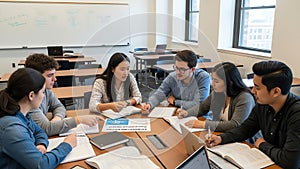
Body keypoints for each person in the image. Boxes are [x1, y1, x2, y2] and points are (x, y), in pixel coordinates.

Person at [206, 61, 300, 168]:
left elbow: (291, 161)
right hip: (271, 162)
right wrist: (221, 138)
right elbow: (245, 129)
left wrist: (262, 144)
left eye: (257, 87)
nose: (252, 91)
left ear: (276, 92)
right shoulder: (263, 104)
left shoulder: (296, 114)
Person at [0, 68, 76, 168]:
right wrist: (67, 145)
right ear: (31, 95)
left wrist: (41, 144)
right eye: (43, 92)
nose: (44, 96)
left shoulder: (21, 113)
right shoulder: (12, 128)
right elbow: (41, 165)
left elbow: (39, 132)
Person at [25, 53, 99, 136]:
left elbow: (59, 106)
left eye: (54, 75)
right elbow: (46, 129)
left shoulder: (46, 90)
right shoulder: (28, 99)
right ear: (35, 76)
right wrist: (78, 120)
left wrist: (57, 118)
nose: (55, 79)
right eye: (50, 76)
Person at [178, 62, 256, 132]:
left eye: (216, 81)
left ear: (230, 83)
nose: (212, 83)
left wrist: (204, 124)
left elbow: (235, 124)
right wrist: (187, 113)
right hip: (221, 133)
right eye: (212, 79)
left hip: (243, 140)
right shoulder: (218, 92)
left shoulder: (244, 98)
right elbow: (202, 107)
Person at [142, 50, 211, 112]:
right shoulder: (172, 77)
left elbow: (199, 104)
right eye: (176, 68)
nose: (178, 72)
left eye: (182, 69)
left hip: (199, 116)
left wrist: (175, 101)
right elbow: (160, 93)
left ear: (192, 70)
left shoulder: (203, 78)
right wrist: (149, 104)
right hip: (179, 113)